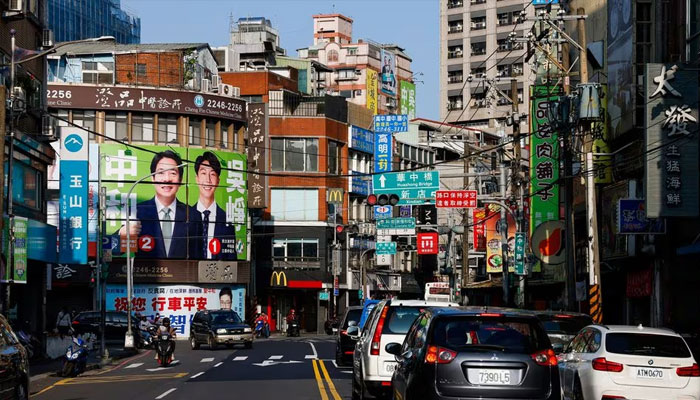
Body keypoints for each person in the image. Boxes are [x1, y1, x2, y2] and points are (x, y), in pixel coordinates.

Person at [119, 151, 188, 258]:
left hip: (184, 274)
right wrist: (123, 235)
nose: (167, 179)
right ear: (152, 178)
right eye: (161, 173)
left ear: (180, 180)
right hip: (147, 273)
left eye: (173, 173)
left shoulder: (192, 214)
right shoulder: (137, 211)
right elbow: (114, 250)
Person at [188, 152, 238, 260]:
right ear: (197, 178)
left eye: (212, 174)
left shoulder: (227, 220)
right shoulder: (185, 216)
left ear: (218, 181)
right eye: (203, 173)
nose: (208, 180)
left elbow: (231, 257)